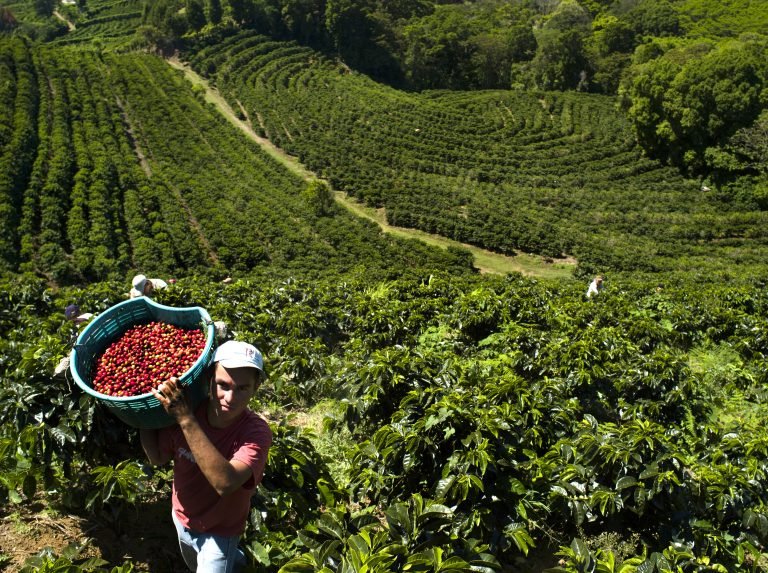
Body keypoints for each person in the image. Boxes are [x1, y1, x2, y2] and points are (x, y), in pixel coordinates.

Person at [140, 341, 273, 572]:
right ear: (209, 380)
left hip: (220, 532)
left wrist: (185, 419)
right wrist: (141, 412)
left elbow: (226, 482)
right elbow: (158, 458)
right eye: (223, 385)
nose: (230, 398)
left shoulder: (255, 432)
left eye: (242, 388)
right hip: (181, 517)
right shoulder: (188, 408)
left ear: (256, 387)